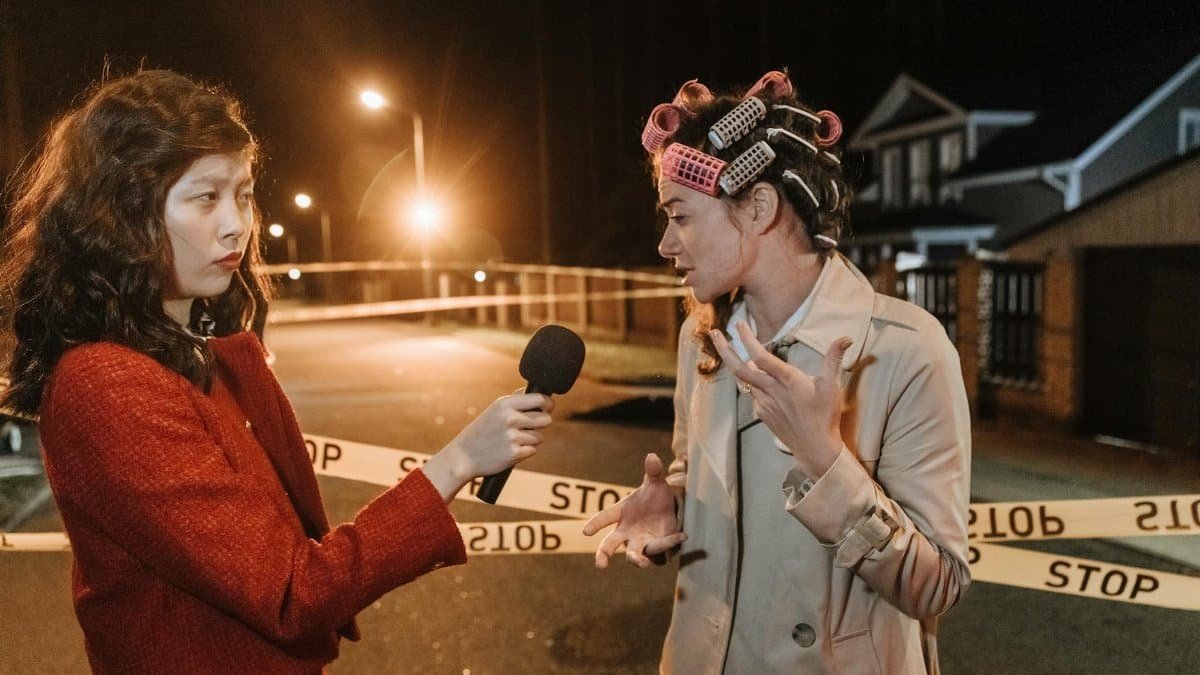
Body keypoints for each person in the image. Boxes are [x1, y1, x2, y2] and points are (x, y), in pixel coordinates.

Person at [0, 69, 554, 674]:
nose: (236, 223)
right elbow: (293, 590)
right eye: (206, 197)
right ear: (124, 212)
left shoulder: (188, 349)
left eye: (243, 193)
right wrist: (457, 462)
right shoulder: (107, 384)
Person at [583, 71, 972, 674]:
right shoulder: (702, 339)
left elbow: (937, 587)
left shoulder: (907, 350)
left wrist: (826, 461)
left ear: (759, 207)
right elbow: (703, 478)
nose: (665, 244)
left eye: (681, 216)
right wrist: (677, 506)